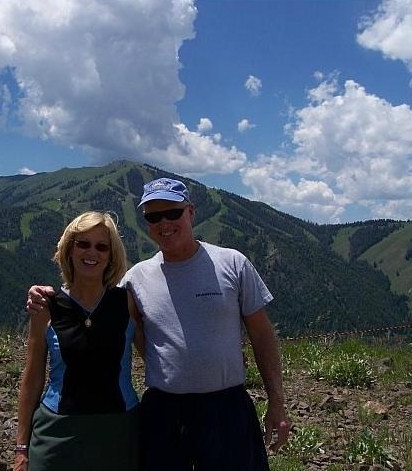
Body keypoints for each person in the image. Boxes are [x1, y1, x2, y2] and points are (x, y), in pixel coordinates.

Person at [27, 178, 290, 471]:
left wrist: (276, 402)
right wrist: (44, 296)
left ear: (191, 212)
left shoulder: (233, 264)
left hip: (226, 407)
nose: (164, 222)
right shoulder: (135, 280)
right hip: (163, 409)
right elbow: (92, 302)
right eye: (154, 216)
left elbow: (262, 334)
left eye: (173, 213)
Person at [15, 211, 143, 471]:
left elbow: (158, 358)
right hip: (57, 431)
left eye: (101, 246)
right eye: (82, 243)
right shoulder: (46, 306)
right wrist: (21, 447)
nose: (91, 252)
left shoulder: (126, 302)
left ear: (110, 256)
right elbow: (32, 378)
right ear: (69, 249)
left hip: (118, 431)